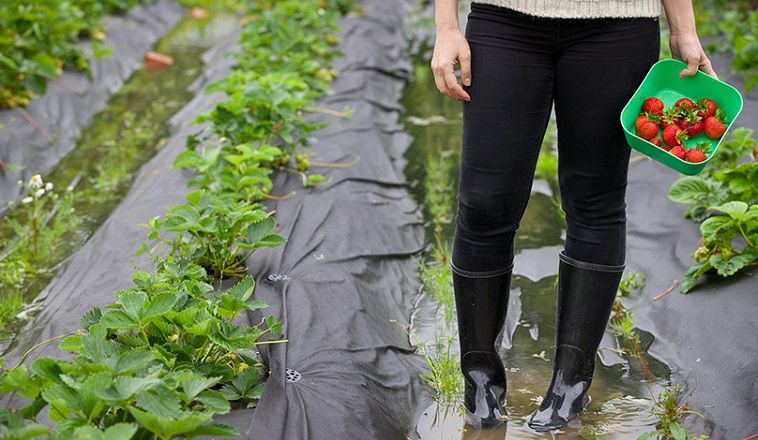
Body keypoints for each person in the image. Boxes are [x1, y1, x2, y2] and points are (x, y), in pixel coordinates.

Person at [430, 0, 716, 432]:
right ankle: (480, 376)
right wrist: (446, 25)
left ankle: (570, 384)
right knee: (486, 202)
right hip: (504, 21)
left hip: (618, 27)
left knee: (595, 201)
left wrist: (684, 27)